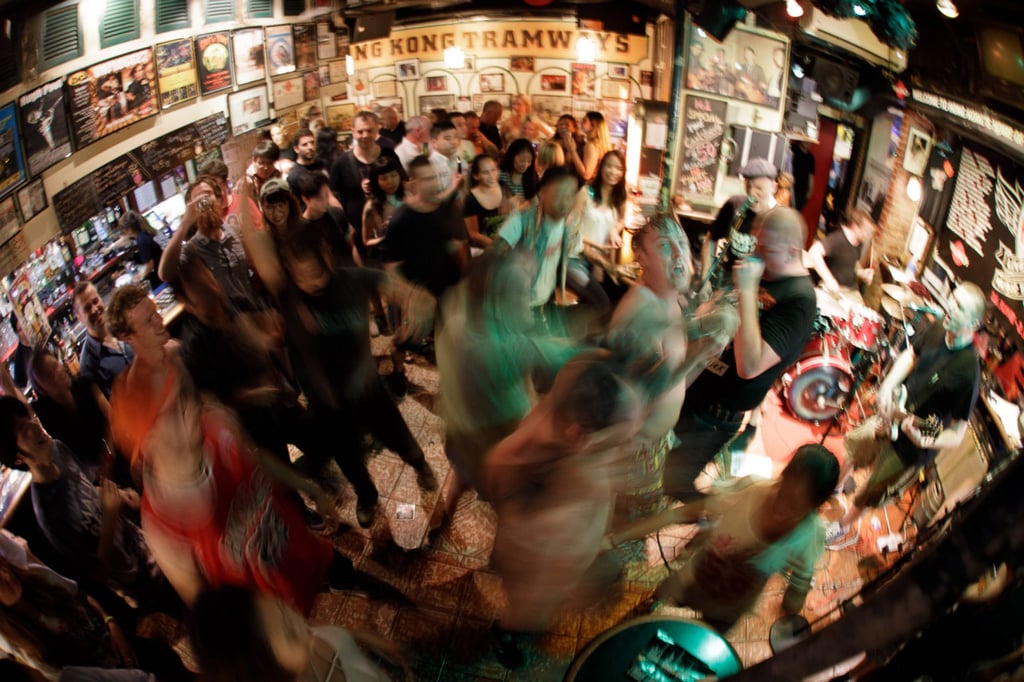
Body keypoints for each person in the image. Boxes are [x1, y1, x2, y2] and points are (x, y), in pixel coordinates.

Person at [107, 284, 349, 611]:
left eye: (155, 312)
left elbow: (214, 410)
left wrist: (244, 401)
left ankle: (332, 573)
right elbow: (153, 464)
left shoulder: (179, 354)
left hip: (237, 474)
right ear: (127, 336)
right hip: (213, 509)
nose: (159, 321)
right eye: (148, 321)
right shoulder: (132, 395)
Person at [483, 350, 644, 667]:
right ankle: (505, 635)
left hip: (535, 545)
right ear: (579, 436)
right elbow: (547, 569)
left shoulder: (566, 395)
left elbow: (587, 364)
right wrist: (573, 586)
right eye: (618, 436)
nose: (626, 443)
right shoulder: (551, 484)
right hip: (531, 570)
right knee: (525, 613)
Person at [275, 238, 438, 528]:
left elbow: (414, 295)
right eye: (301, 274)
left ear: (325, 258)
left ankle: (420, 465)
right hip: (327, 401)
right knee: (348, 458)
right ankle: (368, 496)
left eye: (314, 271)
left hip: (367, 388)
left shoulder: (353, 279)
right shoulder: (290, 299)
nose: (310, 281)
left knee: (400, 438)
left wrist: (416, 314)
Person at [667, 207, 817, 501]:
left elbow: (749, 365)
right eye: (756, 243)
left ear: (792, 249)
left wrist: (747, 290)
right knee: (661, 466)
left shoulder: (800, 299)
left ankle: (714, 522)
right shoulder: (767, 272)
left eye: (766, 248)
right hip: (695, 388)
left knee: (673, 482)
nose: (757, 254)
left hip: (716, 413)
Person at [612, 444, 839, 633]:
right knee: (652, 606)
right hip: (691, 581)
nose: (781, 509)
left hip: (729, 610)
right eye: (782, 493)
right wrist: (617, 538)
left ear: (814, 507)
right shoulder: (750, 490)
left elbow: (801, 579)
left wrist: (794, 604)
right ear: (782, 476)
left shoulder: (811, 534)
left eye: (795, 507)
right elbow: (681, 512)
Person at [606, 214, 736, 524]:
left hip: (654, 444)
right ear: (641, 256)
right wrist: (701, 351)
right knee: (628, 527)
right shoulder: (640, 313)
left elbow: (675, 374)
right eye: (666, 246)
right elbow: (646, 393)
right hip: (634, 452)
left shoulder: (668, 298)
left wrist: (705, 343)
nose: (679, 254)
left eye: (681, 243)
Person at [833, 283, 986, 536]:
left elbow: (957, 434)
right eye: (952, 299)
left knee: (872, 490)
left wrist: (926, 439)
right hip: (893, 413)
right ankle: (834, 489)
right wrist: (887, 386)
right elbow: (912, 355)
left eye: (958, 307)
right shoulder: (938, 327)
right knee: (855, 449)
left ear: (974, 322)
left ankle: (841, 527)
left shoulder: (968, 373)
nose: (949, 305)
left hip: (912, 446)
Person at [0, 396, 155, 604]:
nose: (34, 425)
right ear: (17, 457)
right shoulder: (49, 512)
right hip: (136, 580)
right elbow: (98, 575)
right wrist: (110, 515)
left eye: (30, 417)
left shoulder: (57, 449)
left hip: (142, 541)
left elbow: (86, 491)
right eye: (22, 428)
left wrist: (118, 495)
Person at [189, 586, 401, 682]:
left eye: (282, 606)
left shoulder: (300, 632)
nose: (300, 621)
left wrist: (368, 638)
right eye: (289, 633)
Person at [383, 156, 468, 349]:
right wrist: (411, 297)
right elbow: (390, 269)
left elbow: (453, 243)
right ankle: (397, 371)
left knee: (452, 339)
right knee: (405, 340)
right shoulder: (401, 219)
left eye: (435, 177)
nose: (435, 183)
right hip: (419, 292)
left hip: (447, 286)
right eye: (427, 179)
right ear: (413, 183)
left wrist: (464, 276)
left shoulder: (444, 209)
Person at [158, 175, 261, 314]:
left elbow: (255, 267)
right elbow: (165, 274)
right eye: (197, 198)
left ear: (219, 200)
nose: (203, 201)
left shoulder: (235, 232)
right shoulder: (191, 250)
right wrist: (184, 224)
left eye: (207, 194)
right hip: (227, 327)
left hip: (254, 314)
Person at [701, 157, 779, 295]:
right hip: (725, 287)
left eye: (759, 188)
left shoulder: (780, 219)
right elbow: (710, 239)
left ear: (774, 187)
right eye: (748, 186)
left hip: (756, 294)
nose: (752, 193)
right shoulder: (734, 205)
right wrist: (705, 278)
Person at [329, 111, 404, 251]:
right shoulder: (341, 162)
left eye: (369, 131)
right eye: (360, 131)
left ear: (377, 130)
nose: (365, 136)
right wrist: (345, 223)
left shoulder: (389, 154)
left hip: (392, 228)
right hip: (358, 232)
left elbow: (403, 182)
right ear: (353, 132)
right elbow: (332, 194)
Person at [74, 282, 134, 398]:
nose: (95, 309)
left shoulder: (121, 324)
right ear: (79, 318)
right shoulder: (88, 366)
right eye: (87, 308)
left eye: (95, 301)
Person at [807, 208, 875, 303]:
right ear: (855, 227)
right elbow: (814, 252)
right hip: (834, 291)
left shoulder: (859, 242)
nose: (868, 235)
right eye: (867, 231)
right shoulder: (838, 238)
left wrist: (862, 273)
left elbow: (852, 265)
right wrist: (829, 279)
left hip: (851, 291)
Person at [198, 158, 262, 233]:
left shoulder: (245, 203)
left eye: (215, 186)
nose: (212, 191)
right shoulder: (208, 215)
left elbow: (261, 231)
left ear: (226, 182)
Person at [463, 154, 512, 250]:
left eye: (494, 170)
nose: (491, 176)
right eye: (486, 173)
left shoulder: (504, 187)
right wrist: (496, 247)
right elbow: (473, 234)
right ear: (476, 176)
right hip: (483, 249)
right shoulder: (471, 199)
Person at [117, 211, 163, 291]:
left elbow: (150, 265)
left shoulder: (141, 240)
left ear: (129, 230)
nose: (123, 234)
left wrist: (140, 278)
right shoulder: (145, 233)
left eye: (123, 231)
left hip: (161, 277)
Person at [426, 119, 464, 200]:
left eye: (456, 137)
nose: (454, 142)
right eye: (447, 138)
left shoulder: (458, 159)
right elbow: (432, 198)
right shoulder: (430, 165)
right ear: (434, 143)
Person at [285, 128, 327, 194]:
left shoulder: (322, 164)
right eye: (305, 144)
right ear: (296, 149)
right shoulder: (294, 176)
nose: (310, 147)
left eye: (312, 143)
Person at [580, 111, 612, 181]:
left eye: (584, 121)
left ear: (593, 125)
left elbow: (586, 174)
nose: (580, 123)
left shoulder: (591, 145)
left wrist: (572, 151)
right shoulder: (601, 145)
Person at [553, 114, 587, 179]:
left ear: (574, 129)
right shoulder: (553, 143)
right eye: (560, 124)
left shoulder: (581, 144)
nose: (563, 127)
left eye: (567, 124)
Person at [8, 313, 33, 391]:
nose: (24, 331)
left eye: (24, 324)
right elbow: (20, 387)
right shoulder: (20, 356)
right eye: (20, 329)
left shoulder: (40, 335)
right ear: (17, 334)